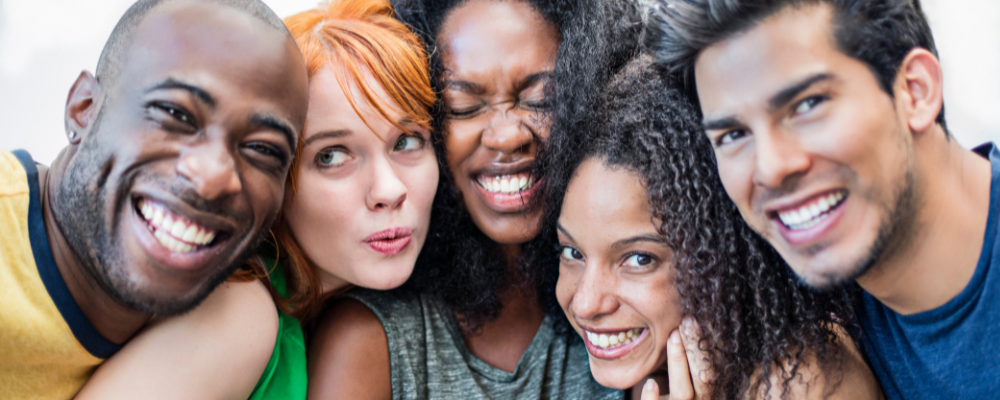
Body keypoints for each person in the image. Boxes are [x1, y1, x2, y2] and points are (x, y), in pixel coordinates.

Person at [73, 0, 439, 398]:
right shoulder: (243, 312)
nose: (388, 190)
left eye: (406, 141)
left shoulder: (340, 313)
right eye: (331, 156)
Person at [645, 0, 999, 398]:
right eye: (733, 135)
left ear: (915, 91)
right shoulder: (798, 316)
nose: (771, 168)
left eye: (808, 105)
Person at [309, 0, 642, 398]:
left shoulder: (632, 309)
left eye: (541, 100)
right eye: (463, 108)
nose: (506, 137)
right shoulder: (370, 340)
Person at [0, 0, 309, 398]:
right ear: (83, 110)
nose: (213, 177)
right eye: (175, 113)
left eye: (263, 150)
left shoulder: (236, 318)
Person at [536, 55, 881, 400]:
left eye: (639, 259)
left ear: (722, 253)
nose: (585, 303)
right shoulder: (651, 371)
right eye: (573, 252)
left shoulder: (798, 383)